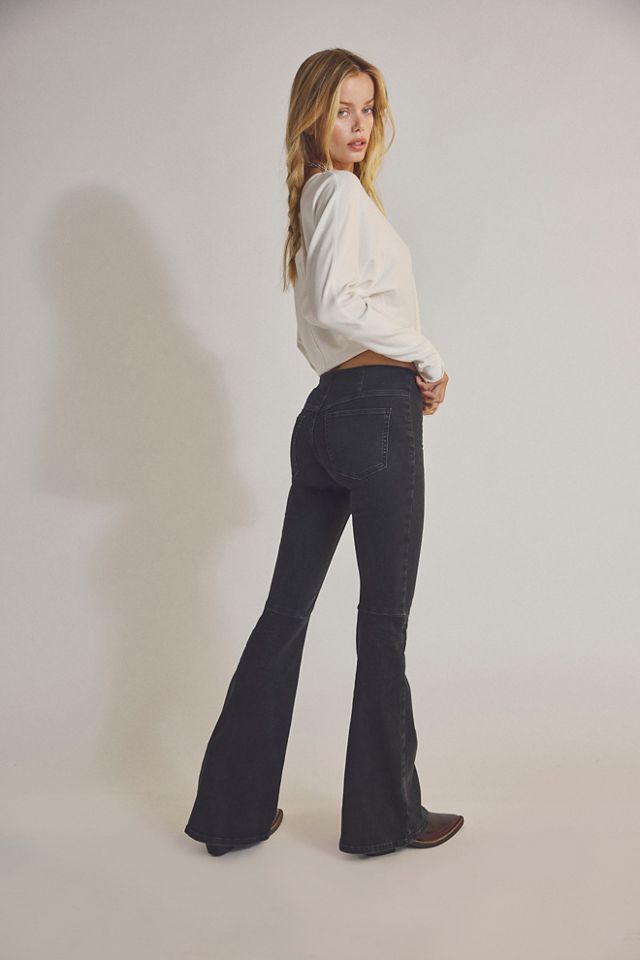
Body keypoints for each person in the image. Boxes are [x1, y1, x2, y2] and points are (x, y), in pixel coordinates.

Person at [184, 48, 464, 858]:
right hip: (377, 415)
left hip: (325, 417)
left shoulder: (315, 198)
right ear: (312, 115)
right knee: (383, 619)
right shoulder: (339, 193)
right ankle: (384, 820)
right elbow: (342, 308)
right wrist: (424, 357)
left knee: (286, 612)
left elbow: (322, 327)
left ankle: (232, 813)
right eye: (342, 109)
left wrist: (401, 368)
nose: (358, 124)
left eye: (368, 109)